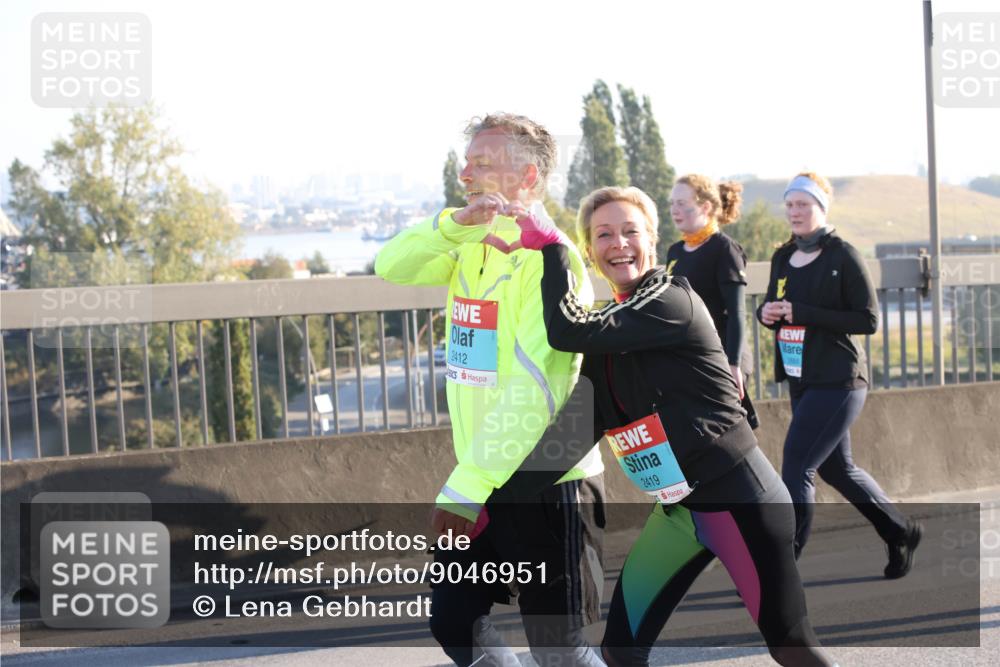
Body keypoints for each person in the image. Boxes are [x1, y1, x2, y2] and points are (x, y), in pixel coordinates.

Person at [510, 186, 836, 666]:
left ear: (652, 239)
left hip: (740, 501)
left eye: (630, 231)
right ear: (591, 250)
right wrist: (490, 502)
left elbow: (566, 331)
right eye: (603, 234)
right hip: (679, 511)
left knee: (793, 647)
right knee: (621, 652)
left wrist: (551, 249)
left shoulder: (671, 299)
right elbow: (572, 437)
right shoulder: (611, 328)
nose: (619, 243)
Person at [374, 113, 606, 667]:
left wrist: (467, 485)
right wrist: (454, 224)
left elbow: (535, 387)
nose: (466, 172)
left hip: (545, 479)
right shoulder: (470, 240)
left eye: (482, 163)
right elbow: (391, 265)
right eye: (466, 161)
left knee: (560, 652)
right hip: (482, 474)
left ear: (528, 177)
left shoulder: (553, 259)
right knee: (454, 623)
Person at [755, 171, 922, 575]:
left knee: (797, 464)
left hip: (840, 378)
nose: (794, 212)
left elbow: (867, 319)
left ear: (821, 208)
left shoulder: (842, 254)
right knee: (836, 468)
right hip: (801, 375)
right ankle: (899, 531)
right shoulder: (783, 256)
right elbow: (778, 307)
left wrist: (803, 313)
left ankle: (783, 563)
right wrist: (767, 314)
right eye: (790, 204)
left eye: (803, 204)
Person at [666, 174, 757, 425]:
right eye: (672, 203)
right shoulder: (675, 252)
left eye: (682, 203)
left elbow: (737, 312)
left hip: (724, 356)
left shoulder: (724, 249)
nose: (675, 210)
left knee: (727, 431)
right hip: (691, 359)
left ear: (705, 207)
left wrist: (734, 364)